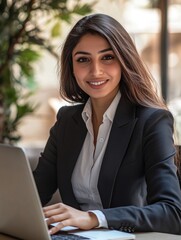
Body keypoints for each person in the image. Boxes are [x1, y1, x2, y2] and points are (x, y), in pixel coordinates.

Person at [33, 13, 181, 235]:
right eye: (83, 59)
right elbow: (33, 195)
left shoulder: (152, 121)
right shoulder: (66, 121)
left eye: (107, 57)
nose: (95, 71)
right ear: (71, 66)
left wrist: (94, 218)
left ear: (124, 60)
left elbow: (172, 213)